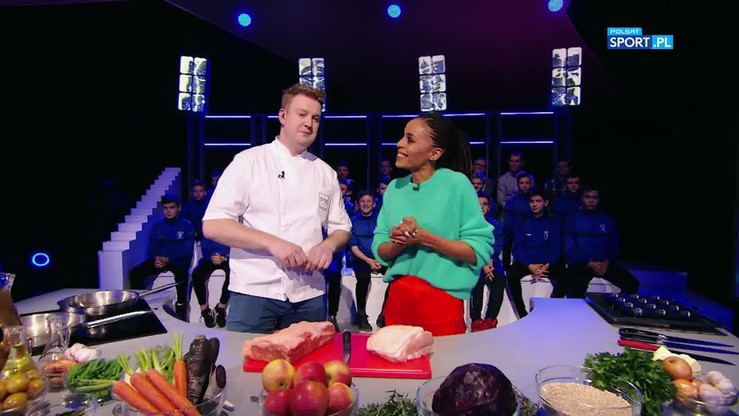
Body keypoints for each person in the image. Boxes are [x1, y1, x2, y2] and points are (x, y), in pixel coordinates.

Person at [201, 83, 352, 333]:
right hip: (254, 292)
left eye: (315, 118)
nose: (309, 123)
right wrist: (273, 243)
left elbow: (341, 227)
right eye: (302, 114)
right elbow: (213, 225)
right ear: (283, 116)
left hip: (309, 293)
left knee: (309, 358)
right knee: (244, 358)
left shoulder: (325, 173)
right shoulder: (249, 162)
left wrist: (328, 246)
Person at [371, 112, 493, 336]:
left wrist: (424, 238)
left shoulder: (456, 184)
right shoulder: (394, 189)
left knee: (443, 360)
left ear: (434, 153)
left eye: (410, 139)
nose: (399, 143)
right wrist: (400, 242)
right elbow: (380, 249)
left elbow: (478, 251)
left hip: (441, 304)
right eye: (402, 137)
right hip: (398, 301)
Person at [565, 184, 640, 298]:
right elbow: (570, 248)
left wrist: (607, 262)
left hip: (604, 264)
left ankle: (614, 306)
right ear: (582, 199)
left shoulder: (608, 220)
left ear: (599, 200)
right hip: (582, 264)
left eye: (594, 197)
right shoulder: (573, 220)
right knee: (577, 286)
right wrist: (589, 263)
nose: (591, 201)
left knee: (632, 283)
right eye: (587, 197)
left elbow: (614, 247)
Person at [128, 194, 195, 320]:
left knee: (181, 274)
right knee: (135, 273)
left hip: (177, 261)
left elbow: (186, 251)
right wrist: (155, 259)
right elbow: (151, 248)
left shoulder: (187, 225)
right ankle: (139, 308)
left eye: (172, 207)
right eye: (165, 208)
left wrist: (168, 259)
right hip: (159, 260)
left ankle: (181, 309)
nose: (168, 211)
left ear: (178, 208)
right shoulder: (157, 226)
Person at [506, 188, 566, 318]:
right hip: (527, 263)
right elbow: (517, 249)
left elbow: (556, 247)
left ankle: (551, 312)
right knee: (511, 274)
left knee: (565, 277)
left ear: (546, 202)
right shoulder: (522, 222)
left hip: (546, 264)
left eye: (538, 201)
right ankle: (522, 314)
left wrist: (547, 264)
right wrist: (530, 266)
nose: (534, 204)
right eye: (532, 201)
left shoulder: (552, 222)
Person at [348, 190, 385, 332]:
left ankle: (384, 314)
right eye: (362, 201)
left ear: (374, 204)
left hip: (379, 257)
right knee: (363, 279)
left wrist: (379, 259)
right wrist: (369, 260)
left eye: (369, 201)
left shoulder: (380, 220)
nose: (365, 204)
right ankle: (361, 315)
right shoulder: (352, 222)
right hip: (361, 258)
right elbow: (353, 247)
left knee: (395, 276)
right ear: (358, 204)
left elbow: (384, 241)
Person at [470, 191, 506, 332]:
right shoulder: (468, 225)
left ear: (489, 207)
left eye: (484, 204)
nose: (481, 207)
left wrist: (489, 262)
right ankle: (476, 320)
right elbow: (469, 246)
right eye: (478, 204)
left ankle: (490, 320)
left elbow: (497, 246)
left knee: (500, 279)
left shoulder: (496, 225)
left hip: (492, 262)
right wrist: (483, 262)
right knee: (476, 281)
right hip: (474, 261)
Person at [190, 236, 230, 328]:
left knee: (233, 274)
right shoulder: (209, 230)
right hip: (210, 258)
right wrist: (212, 257)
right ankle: (204, 310)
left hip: (227, 259)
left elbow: (235, 247)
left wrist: (224, 257)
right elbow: (205, 245)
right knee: (197, 274)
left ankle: (220, 308)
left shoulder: (232, 231)